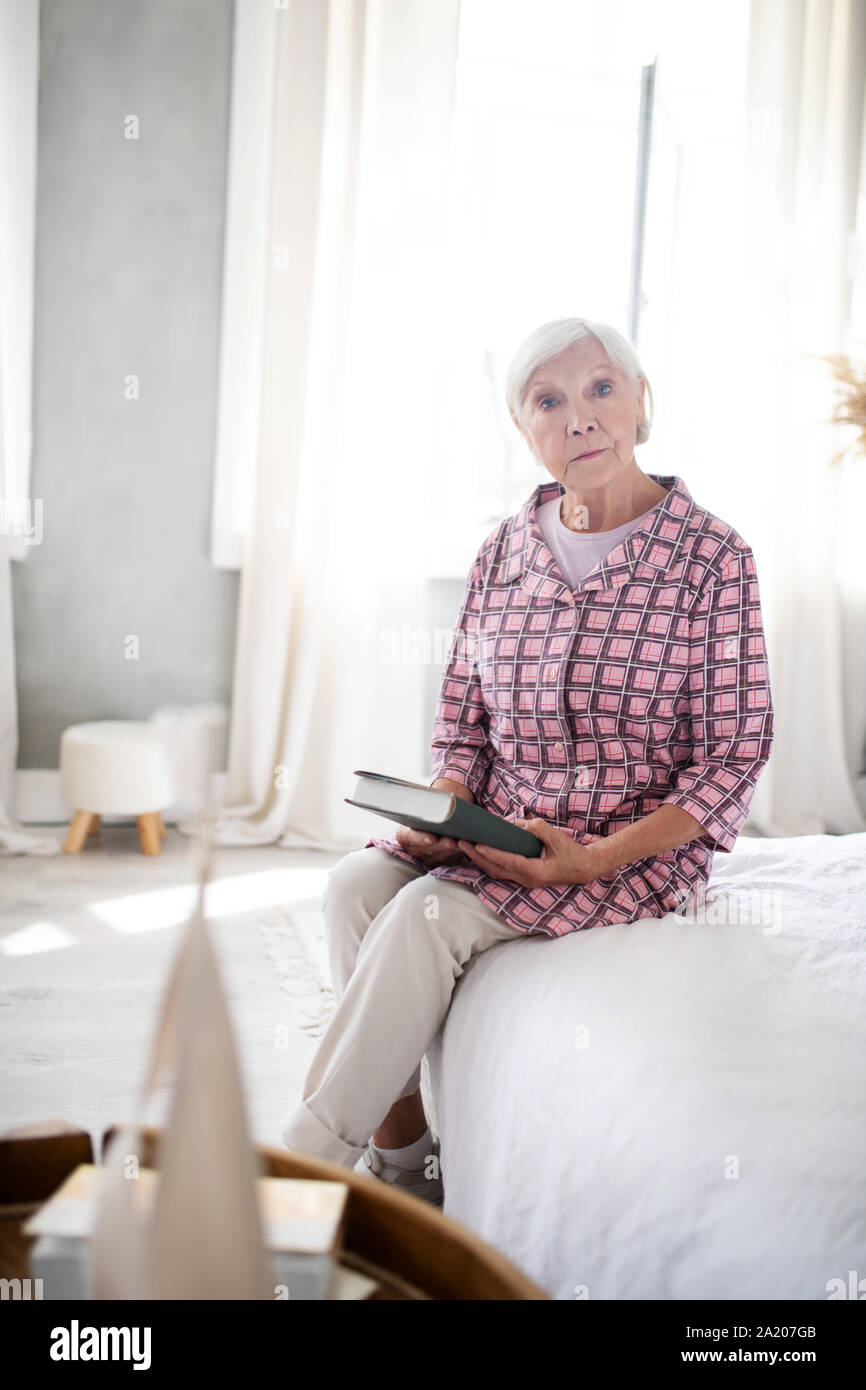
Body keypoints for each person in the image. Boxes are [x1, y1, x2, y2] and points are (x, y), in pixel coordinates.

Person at [280, 316, 775, 1203]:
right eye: (549, 401)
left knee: (427, 919)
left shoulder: (714, 558)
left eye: (600, 390)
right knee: (350, 889)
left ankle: (296, 1170)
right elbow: (462, 721)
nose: (579, 419)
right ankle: (405, 1159)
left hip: (630, 848)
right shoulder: (501, 553)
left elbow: (734, 754)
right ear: (525, 429)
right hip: (495, 822)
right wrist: (445, 805)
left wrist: (596, 858)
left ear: (641, 403)